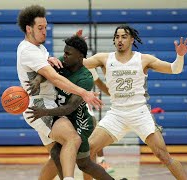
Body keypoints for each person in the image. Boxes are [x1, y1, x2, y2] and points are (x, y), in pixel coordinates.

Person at [83, 24, 187, 180]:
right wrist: (77, 46)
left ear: (131, 39)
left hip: (139, 113)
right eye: (117, 37)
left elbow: (174, 69)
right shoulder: (104, 58)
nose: (120, 40)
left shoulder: (143, 59)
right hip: (117, 114)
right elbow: (80, 63)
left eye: (124, 36)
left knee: (163, 156)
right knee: (88, 150)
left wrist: (180, 56)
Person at [16, 5, 102, 180]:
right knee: (73, 139)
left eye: (46, 27)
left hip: (47, 103)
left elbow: (53, 65)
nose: (44, 31)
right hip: (40, 105)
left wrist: (76, 45)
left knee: (57, 158)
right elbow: (54, 77)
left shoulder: (38, 48)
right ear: (28, 29)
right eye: (40, 28)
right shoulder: (28, 50)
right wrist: (84, 93)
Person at [26, 35, 119, 180]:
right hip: (64, 119)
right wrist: (37, 80)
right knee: (56, 154)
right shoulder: (63, 62)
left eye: (68, 54)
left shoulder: (85, 78)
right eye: (64, 52)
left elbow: (69, 108)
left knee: (84, 164)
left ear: (80, 56)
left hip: (80, 121)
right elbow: (46, 71)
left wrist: (44, 112)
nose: (64, 56)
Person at [87, 68, 114, 174]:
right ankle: (54, 158)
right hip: (66, 102)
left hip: (84, 104)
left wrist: (115, 94)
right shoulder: (63, 64)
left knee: (95, 130)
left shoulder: (88, 65)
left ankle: (101, 161)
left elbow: (99, 84)